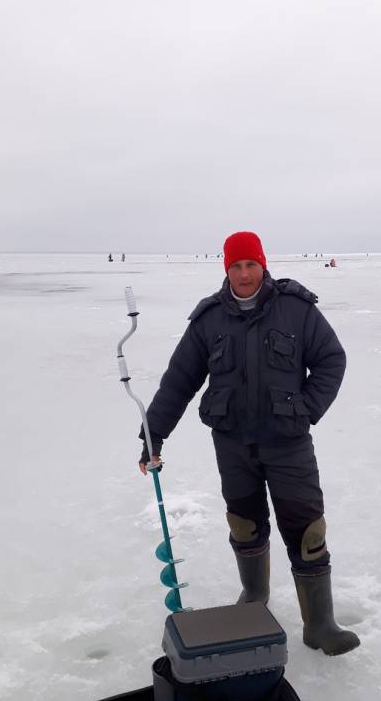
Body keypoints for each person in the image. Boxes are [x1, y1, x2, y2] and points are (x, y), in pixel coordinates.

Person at [139, 231, 359, 656]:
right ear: (226, 268)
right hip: (234, 443)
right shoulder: (209, 320)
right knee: (245, 523)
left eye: (251, 265)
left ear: (263, 265)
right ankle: (254, 598)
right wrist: (153, 433)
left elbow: (332, 359)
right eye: (236, 266)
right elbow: (179, 381)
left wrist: (305, 409)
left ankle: (320, 625)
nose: (244, 274)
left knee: (307, 530)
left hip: (288, 443)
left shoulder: (297, 311)